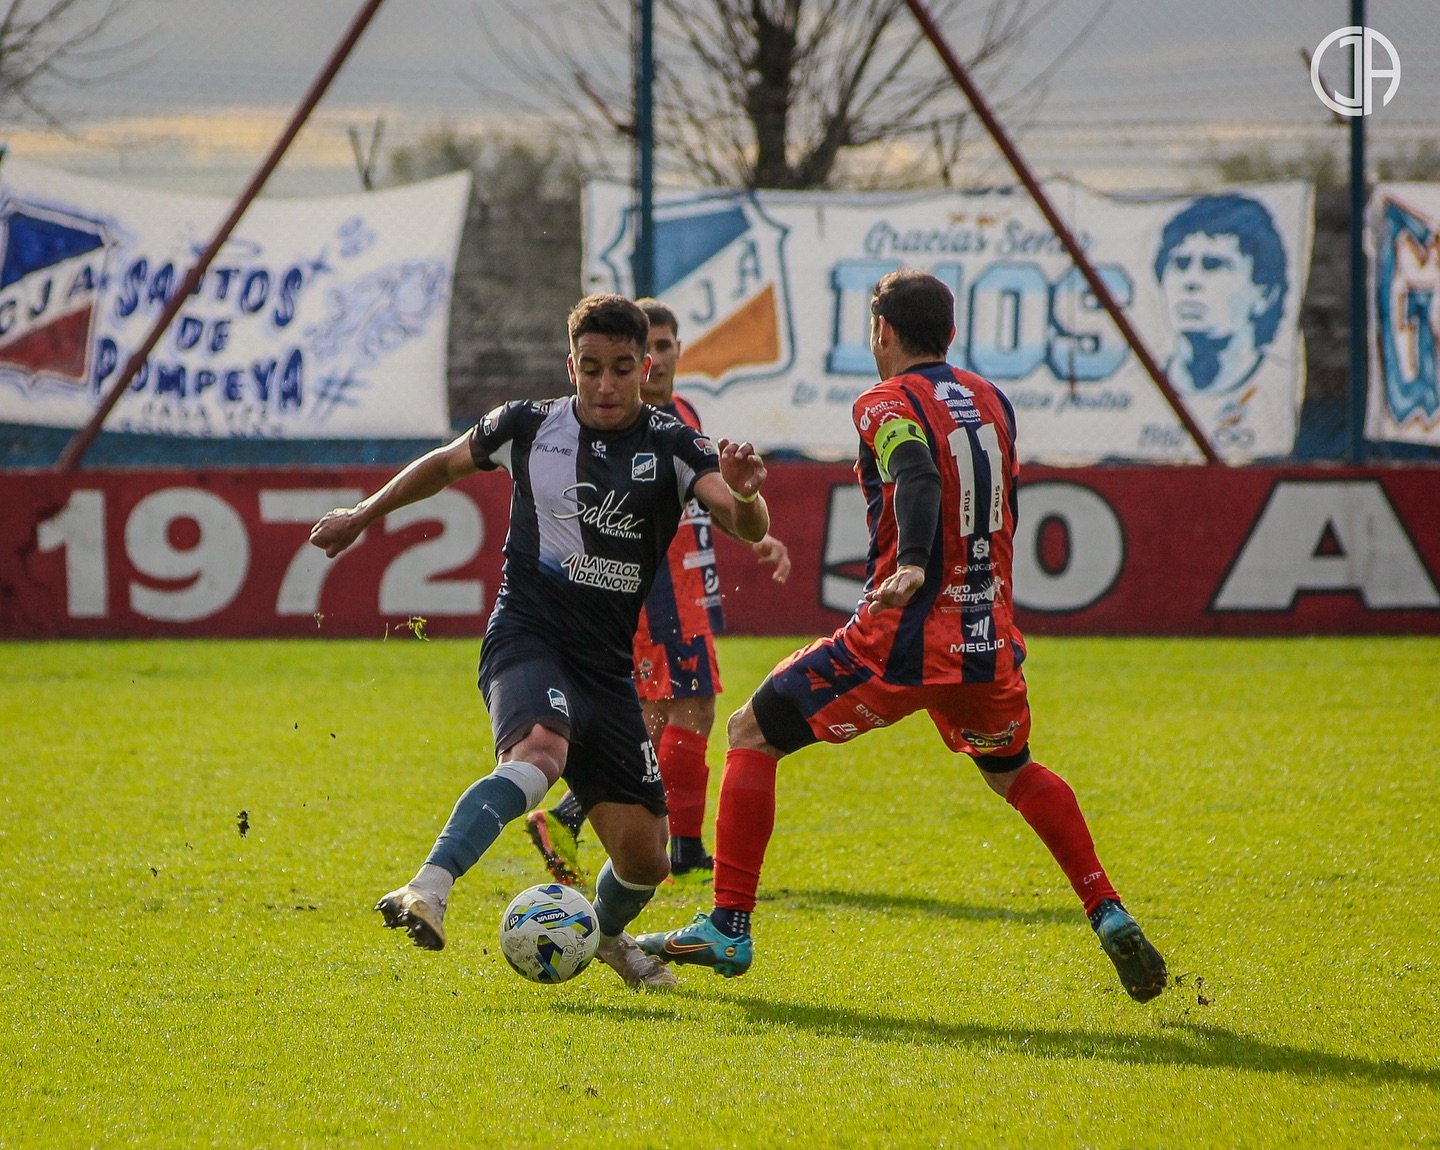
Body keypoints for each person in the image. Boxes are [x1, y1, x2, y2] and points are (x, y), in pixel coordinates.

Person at [635, 269, 1168, 1004]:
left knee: (751, 730)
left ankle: (728, 923)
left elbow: (915, 471)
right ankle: (1106, 909)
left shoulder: (884, 403)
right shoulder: (992, 398)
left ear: (882, 331)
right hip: (987, 637)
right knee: (1014, 771)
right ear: (949, 332)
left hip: (904, 637)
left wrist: (914, 564)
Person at [309, 293, 772, 992]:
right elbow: (444, 463)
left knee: (647, 859)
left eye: (622, 369)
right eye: (592, 369)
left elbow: (741, 521)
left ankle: (607, 939)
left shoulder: (674, 444)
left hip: (607, 671)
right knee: (540, 753)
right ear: (572, 366)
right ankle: (427, 889)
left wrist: (748, 494)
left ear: (644, 368)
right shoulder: (529, 426)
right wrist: (364, 513)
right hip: (527, 638)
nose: (607, 385)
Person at [524, 298, 791, 888]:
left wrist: (759, 539)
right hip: (655, 592)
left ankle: (685, 843)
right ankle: (574, 819)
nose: (662, 359)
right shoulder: (618, 427)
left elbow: (714, 497)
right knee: (661, 714)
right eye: (656, 347)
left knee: (688, 709)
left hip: (690, 586)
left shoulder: (685, 415)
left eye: (669, 347)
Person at [1153, 193, 1288, 396]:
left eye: (1213, 265)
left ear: (1264, 294)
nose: (1191, 281)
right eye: (1180, 264)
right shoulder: (1135, 385)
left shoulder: (1281, 385)